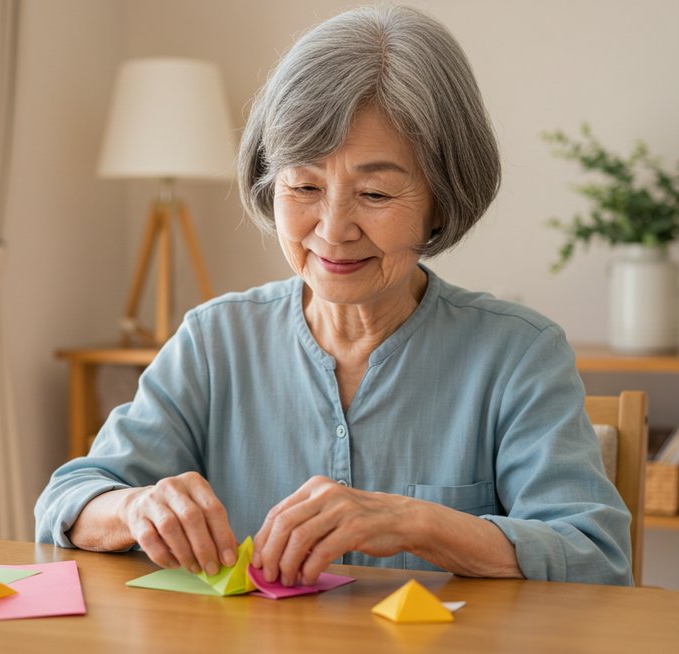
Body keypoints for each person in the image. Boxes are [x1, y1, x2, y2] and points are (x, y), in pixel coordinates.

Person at [35, 5, 632, 587]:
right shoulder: (215, 342)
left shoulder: (518, 355)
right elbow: (67, 502)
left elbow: (596, 556)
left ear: (442, 203)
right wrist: (137, 507)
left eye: (374, 194)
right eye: (304, 185)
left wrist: (416, 523)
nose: (332, 228)